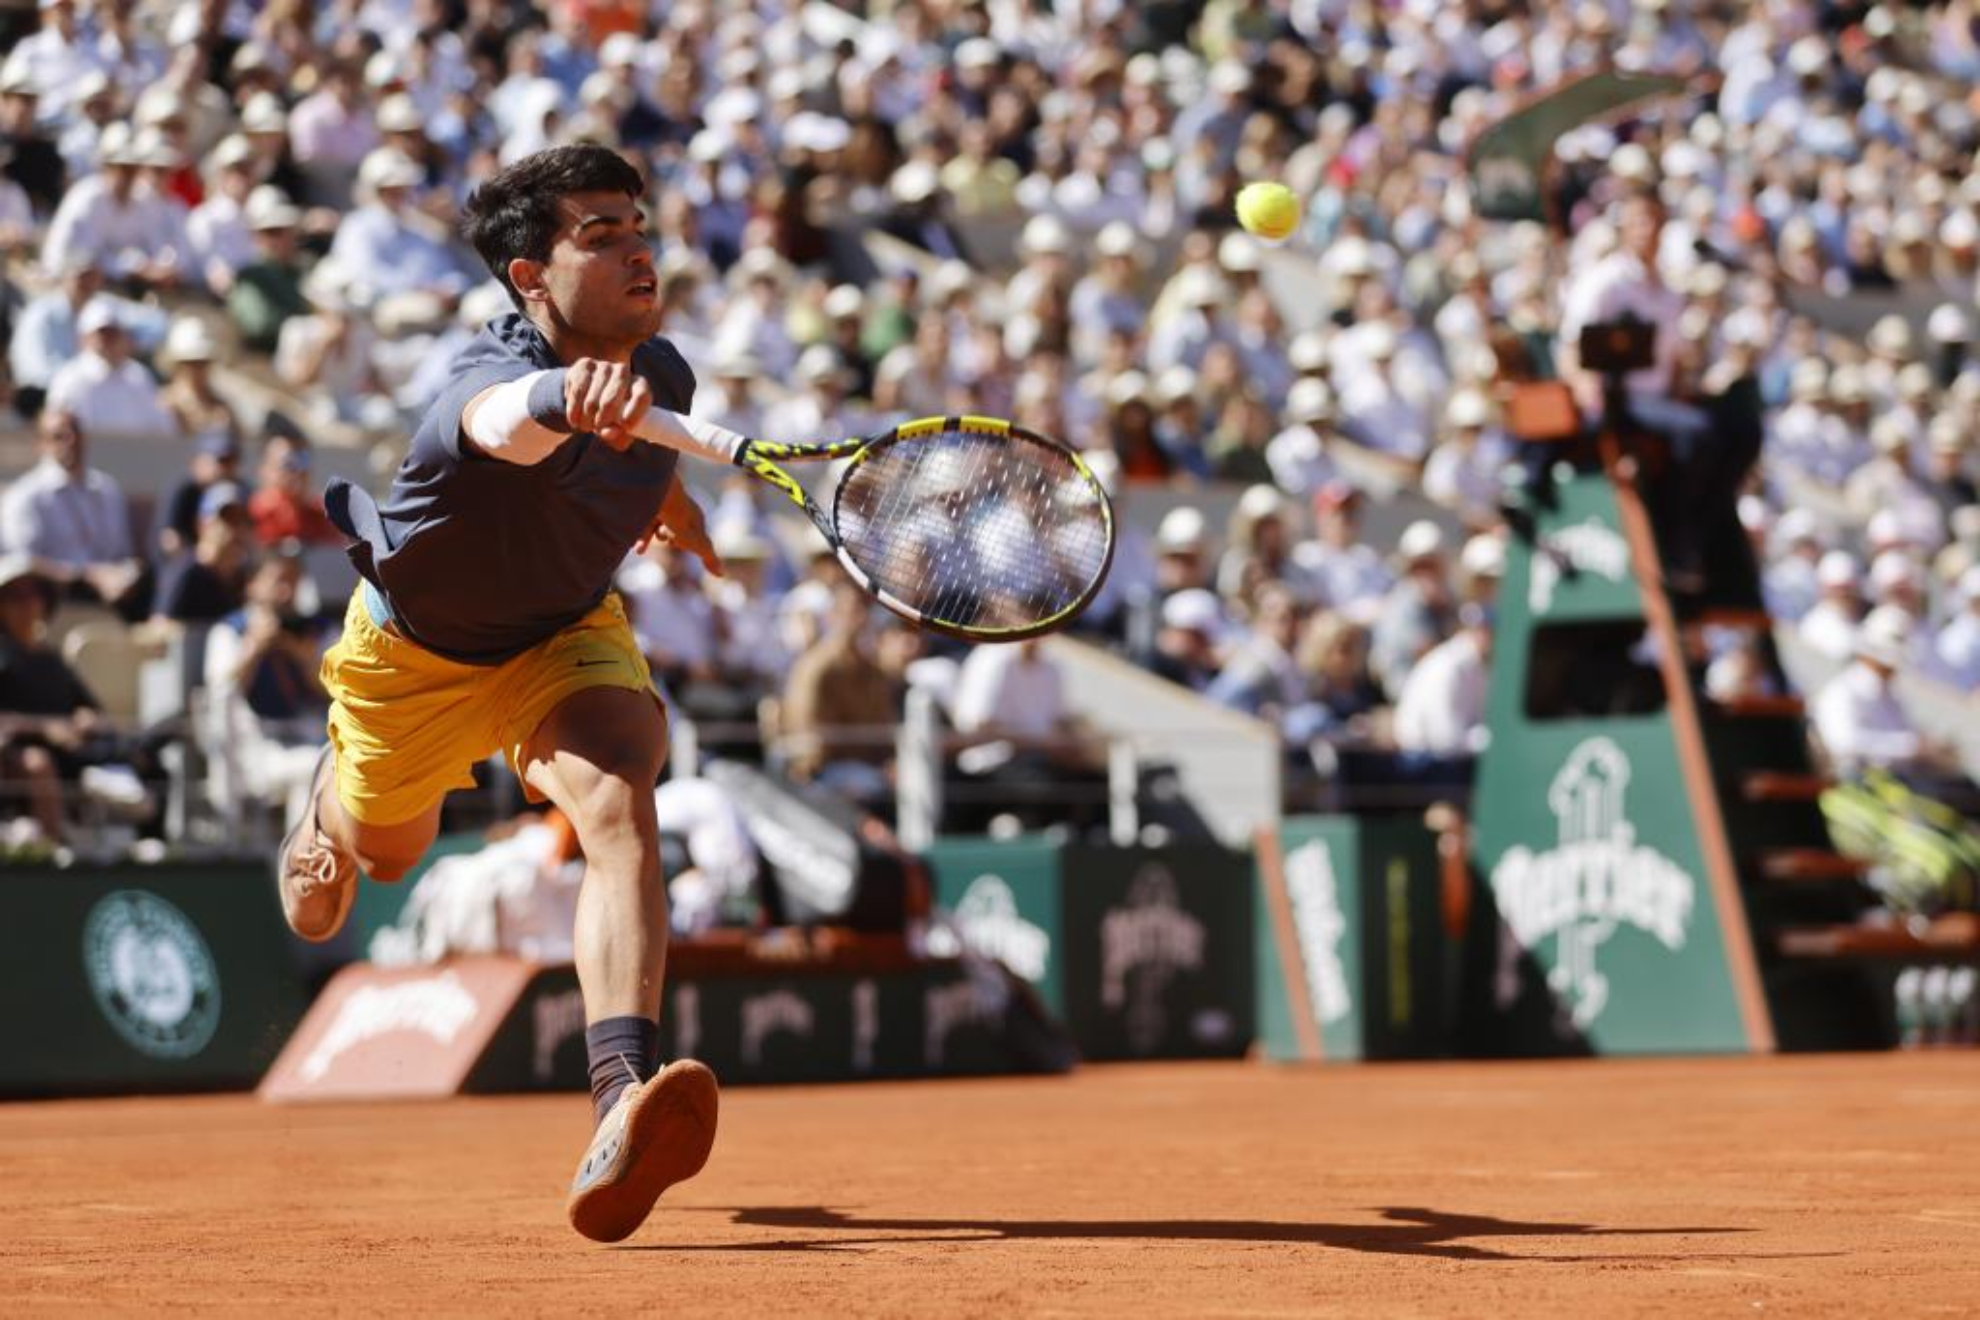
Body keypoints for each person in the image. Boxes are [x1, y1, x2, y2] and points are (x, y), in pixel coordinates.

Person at [277, 146, 721, 1243]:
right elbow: (503, 425)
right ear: (530, 276)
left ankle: (620, 1096)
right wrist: (565, 399)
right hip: (414, 662)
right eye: (597, 233)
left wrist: (673, 511)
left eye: (637, 226)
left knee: (620, 797)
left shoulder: (662, 376)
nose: (635, 248)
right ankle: (334, 794)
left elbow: (639, 458)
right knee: (374, 867)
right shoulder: (480, 383)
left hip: (561, 638)